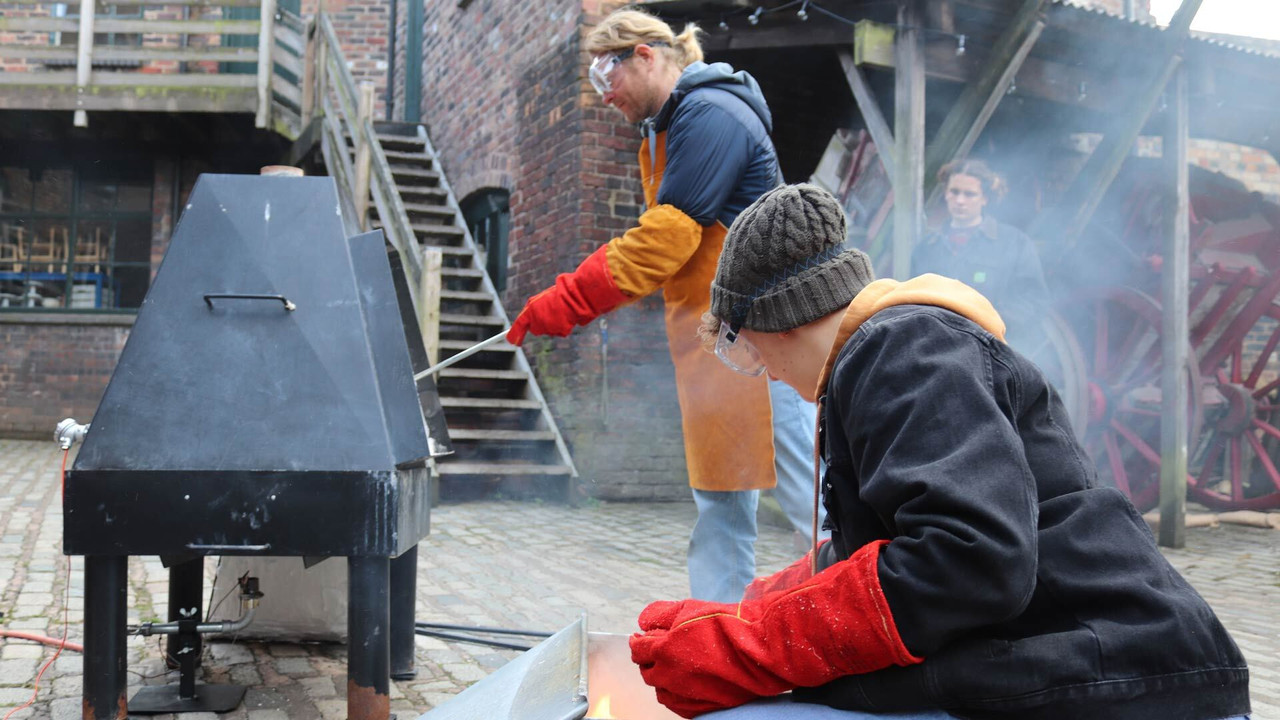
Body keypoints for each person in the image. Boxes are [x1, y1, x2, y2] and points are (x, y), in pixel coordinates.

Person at [629, 184, 1251, 720]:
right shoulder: (889, 356)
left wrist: (748, 644)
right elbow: (880, 550)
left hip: (1129, 681)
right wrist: (741, 610)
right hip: (1080, 670)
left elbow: (970, 559)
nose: (762, 369)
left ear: (781, 319)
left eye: (746, 348)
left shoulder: (902, 350)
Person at [505, 8, 822, 602]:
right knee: (721, 498)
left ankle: (864, 612)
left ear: (646, 55)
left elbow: (668, 239)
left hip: (768, 334)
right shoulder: (665, 127)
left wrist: (569, 300)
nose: (604, 95)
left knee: (809, 496)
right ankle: (716, 627)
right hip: (720, 341)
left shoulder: (712, 113)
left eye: (607, 75)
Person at [911, 159, 1049, 348]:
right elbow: (912, 302)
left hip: (991, 350)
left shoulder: (1015, 244)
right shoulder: (926, 248)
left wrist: (988, 324)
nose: (960, 201)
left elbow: (1033, 301)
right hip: (936, 347)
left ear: (985, 198)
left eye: (970, 194)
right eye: (954, 192)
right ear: (946, 193)